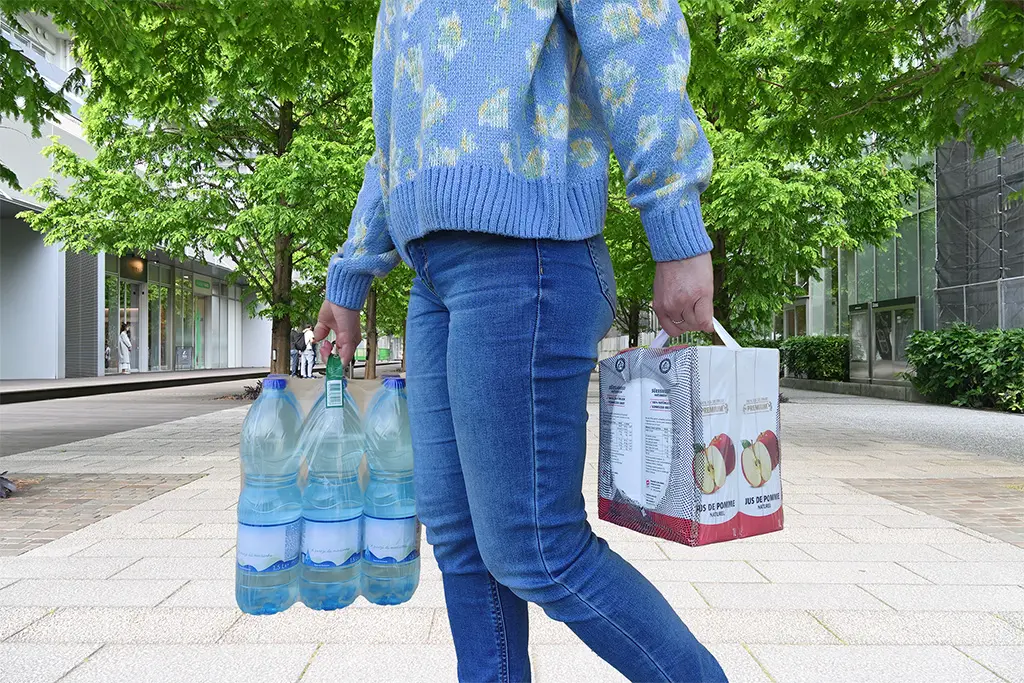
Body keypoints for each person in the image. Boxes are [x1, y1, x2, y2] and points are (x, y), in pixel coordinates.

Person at [314, 1, 724, 680]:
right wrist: (351, 272)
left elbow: (636, 33)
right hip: (433, 274)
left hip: (527, 254)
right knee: (459, 536)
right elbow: (398, 127)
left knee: (536, 547)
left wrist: (674, 219)